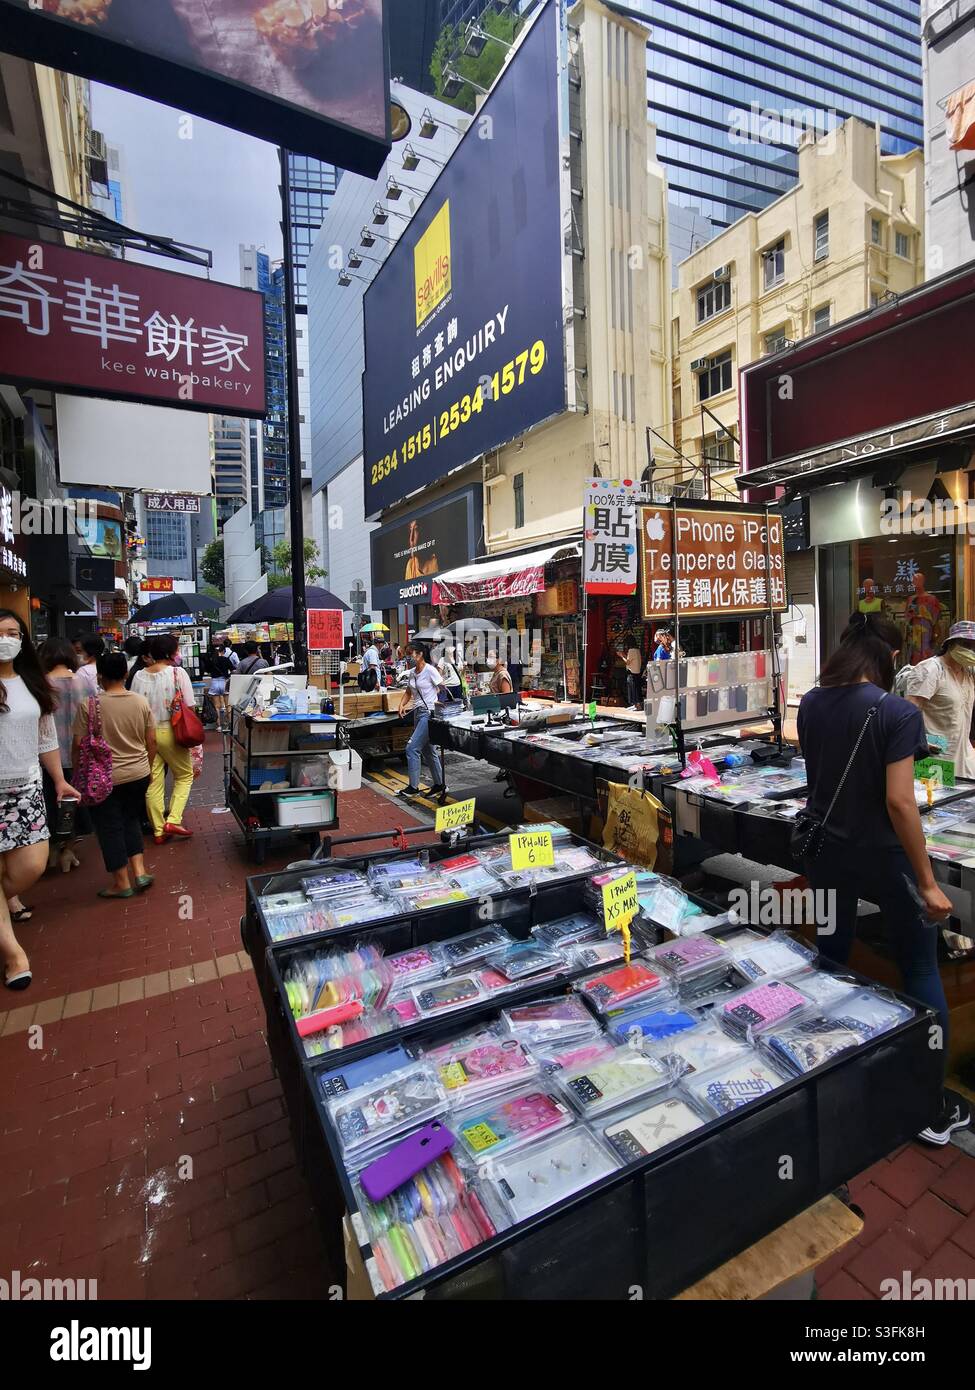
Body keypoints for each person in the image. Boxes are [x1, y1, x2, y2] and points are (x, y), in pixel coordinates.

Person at [797, 611, 970, 1146]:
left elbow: (819, 776)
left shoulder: (810, 702)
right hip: (885, 857)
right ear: (889, 657)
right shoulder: (896, 712)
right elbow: (899, 800)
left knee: (832, 949)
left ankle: (821, 1058)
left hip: (828, 852)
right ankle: (927, 1104)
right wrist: (928, 881)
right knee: (919, 963)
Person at [0, 611, 79, 990]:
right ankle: (15, 956)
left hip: (27, 790)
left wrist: (60, 781)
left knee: (30, 866)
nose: (6, 639)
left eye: (13, 632)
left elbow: (46, 738)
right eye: (0, 633)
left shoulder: (32, 683)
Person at [73, 652, 156, 900]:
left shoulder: (89, 705)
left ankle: (121, 883)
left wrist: (77, 774)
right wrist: (148, 767)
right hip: (138, 772)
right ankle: (140, 871)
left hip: (104, 778)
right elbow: (152, 740)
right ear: (126, 674)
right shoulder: (140, 701)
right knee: (130, 819)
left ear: (99, 676)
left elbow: (78, 745)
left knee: (109, 828)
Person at [131, 633, 197, 844]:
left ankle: (158, 830)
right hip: (172, 730)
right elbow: (191, 705)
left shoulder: (139, 676)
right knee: (185, 775)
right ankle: (174, 819)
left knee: (154, 781)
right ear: (170, 652)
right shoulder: (177, 673)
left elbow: (134, 707)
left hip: (145, 733)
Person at [38, 638, 92, 875]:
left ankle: (51, 849)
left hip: (48, 756)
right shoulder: (83, 682)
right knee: (75, 803)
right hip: (80, 753)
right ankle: (69, 849)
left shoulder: (40, 684)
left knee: (50, 801)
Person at [904, 620, 975, 778]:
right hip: (935, 760)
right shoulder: (931, 669)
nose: (971, 650)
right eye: (966, 644)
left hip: (965, 757)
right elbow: (908, 711)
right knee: (937, 801)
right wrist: (918, 741)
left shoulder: (969, 673)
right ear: (951, 645)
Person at [397, 642, 445, 798]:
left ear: (420, 654)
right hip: (418, 713)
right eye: (407, 654)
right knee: (428, 750)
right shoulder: (412, 673)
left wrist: (439, 705)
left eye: (410, 654)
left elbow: (443, 689)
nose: (408, 657)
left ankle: (413, 787)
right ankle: (439, 784)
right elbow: (408, 692)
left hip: (429, 713)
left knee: (412, 748)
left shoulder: (430, 671)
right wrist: (401, 704)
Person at [903, 571, 944, 665]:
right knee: (914, 659)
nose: (916, 582)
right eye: (914, 580)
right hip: (914, 634)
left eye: (918, 580)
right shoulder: (911, 599)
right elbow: (907, 618)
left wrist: (935, 636)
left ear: (923, 581)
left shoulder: (932, 599)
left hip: (927, 633)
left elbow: (936, 620)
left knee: (928, 659)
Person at [206, 643, 234, 731]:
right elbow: (233, 669)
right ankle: (230, 725)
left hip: (214, 682)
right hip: (224, 682)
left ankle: (219, 726)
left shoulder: (211, 660)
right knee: (228, 705)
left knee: (216, 706)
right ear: (223, 651)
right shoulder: (226, 659)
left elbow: (208, 671)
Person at [620, 641, 643, 710]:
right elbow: (630, 660)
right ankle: (636, 705)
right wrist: (624, 655)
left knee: (632, 689)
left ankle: (637, 705)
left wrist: (621, 655)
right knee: (637, 688)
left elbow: (627, 662)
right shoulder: (637, 650)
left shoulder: (631, 650)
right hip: (637, 672)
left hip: (632, 671)